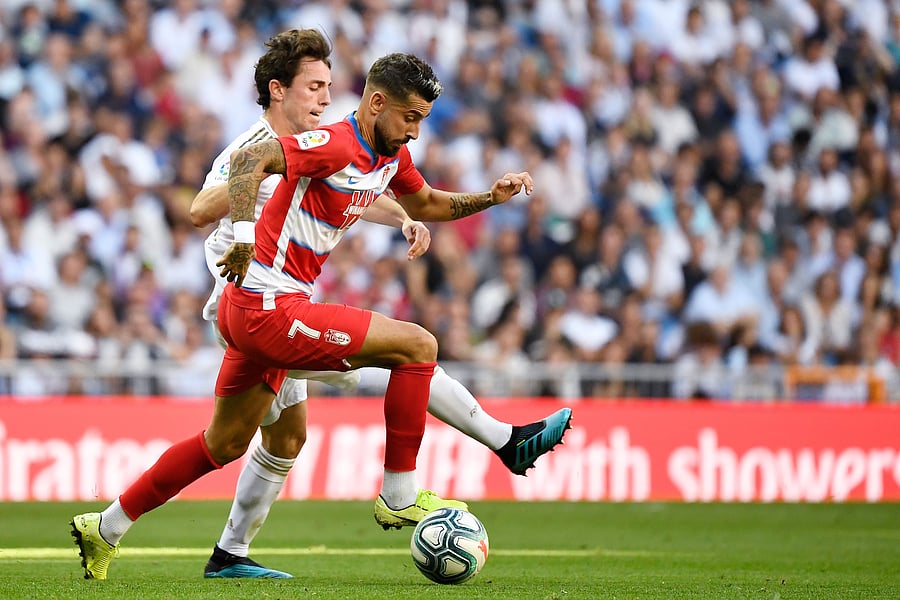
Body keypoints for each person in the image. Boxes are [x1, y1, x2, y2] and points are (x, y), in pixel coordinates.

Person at [70, 41, 572, 581]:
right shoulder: (309, 142)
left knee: (236, 441)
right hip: (262, 306)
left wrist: (486, 200)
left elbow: (412, 198)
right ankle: (427, 481)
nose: (415, 132)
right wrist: (243, 228)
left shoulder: (374, 152)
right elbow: (235, 175)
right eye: (315, 86)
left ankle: (109, 528)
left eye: (330, 86)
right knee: (415, 348)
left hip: (267, 306)